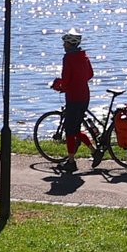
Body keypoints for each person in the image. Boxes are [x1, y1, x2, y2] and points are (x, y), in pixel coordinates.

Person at [48, 30, 97, 173]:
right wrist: (79, 82)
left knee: (70, 131)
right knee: (75, 129)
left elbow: (66, 79)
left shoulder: (68, 58)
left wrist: (60, 86)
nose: (63, 45)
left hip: (74, 98)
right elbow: (90, 74)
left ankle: (71, 162)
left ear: (70, 44)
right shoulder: (84, 56)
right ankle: (94, 151)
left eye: (65, 42)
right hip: (84, 96)